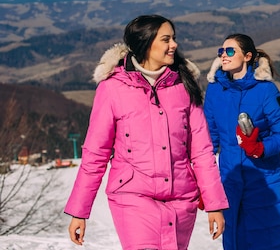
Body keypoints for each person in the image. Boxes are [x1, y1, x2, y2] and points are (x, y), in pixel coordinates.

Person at [65, 15, 228, 249]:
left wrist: (214, 205)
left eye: (173, 38)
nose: (174, 44)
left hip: (182, 199)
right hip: (132, 197)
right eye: (166, 39)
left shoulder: (184, 86)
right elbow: (95, 154)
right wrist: (79, 211)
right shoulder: (112, 88)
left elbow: (202, 152)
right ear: (146, 43)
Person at [203, 33, 280, 250]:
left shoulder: (265, 90)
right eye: (221, 51)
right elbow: (208, 141)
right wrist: (205, 186)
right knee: (233, 238)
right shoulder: (215, 90)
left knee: (267, 239)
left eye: (230, 51)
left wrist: (260, 148)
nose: (224, 55)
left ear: (247, 56)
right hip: (230, 177)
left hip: (262, 179)